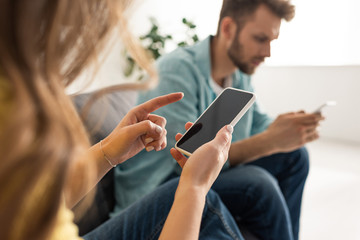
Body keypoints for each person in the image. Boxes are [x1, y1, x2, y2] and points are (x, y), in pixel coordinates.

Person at [0, 0, 246, 239]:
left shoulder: (13, 99)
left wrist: (108, 151)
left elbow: (37, 203)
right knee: (227, 195)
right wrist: (195, 187)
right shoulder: (16, 118)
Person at [113, 0, 325, 240]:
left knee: (296, 156)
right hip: (162, 183)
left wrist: (284, 128)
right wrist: (270, 141)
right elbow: (181, 158)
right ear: (228, 29)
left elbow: (259, 124)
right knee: (258, 184)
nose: (267, 53)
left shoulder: (238, 75)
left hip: (202, 171)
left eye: (271, 41)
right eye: (260, 39)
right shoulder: (177, 71)